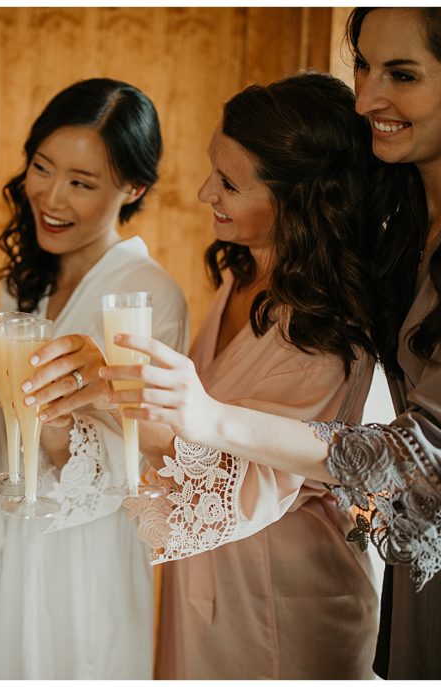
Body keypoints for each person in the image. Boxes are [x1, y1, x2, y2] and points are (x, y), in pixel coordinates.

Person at [105, 7, 441, 680]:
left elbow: (421, 454)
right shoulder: (405, 216)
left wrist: (205, 416)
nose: (368, 98)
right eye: (363, 66)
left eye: (402, 74)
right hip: (404, 567)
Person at [83, 71, 381, 679]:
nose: (202, 193)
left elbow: (246, 471)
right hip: (206, 581)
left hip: (283, 594)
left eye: (228, 183)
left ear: (298, 200)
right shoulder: (240, 277)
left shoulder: (332, 325)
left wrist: (109, 393)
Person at [0, 78, 188, 679]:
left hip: (87, 558)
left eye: (82, 183)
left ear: (133, 187)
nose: (51, 198)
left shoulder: (147, 296)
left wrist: (57, 431)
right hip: (10, 542)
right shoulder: (22, 284)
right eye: (41, 168)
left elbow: (141, 462)